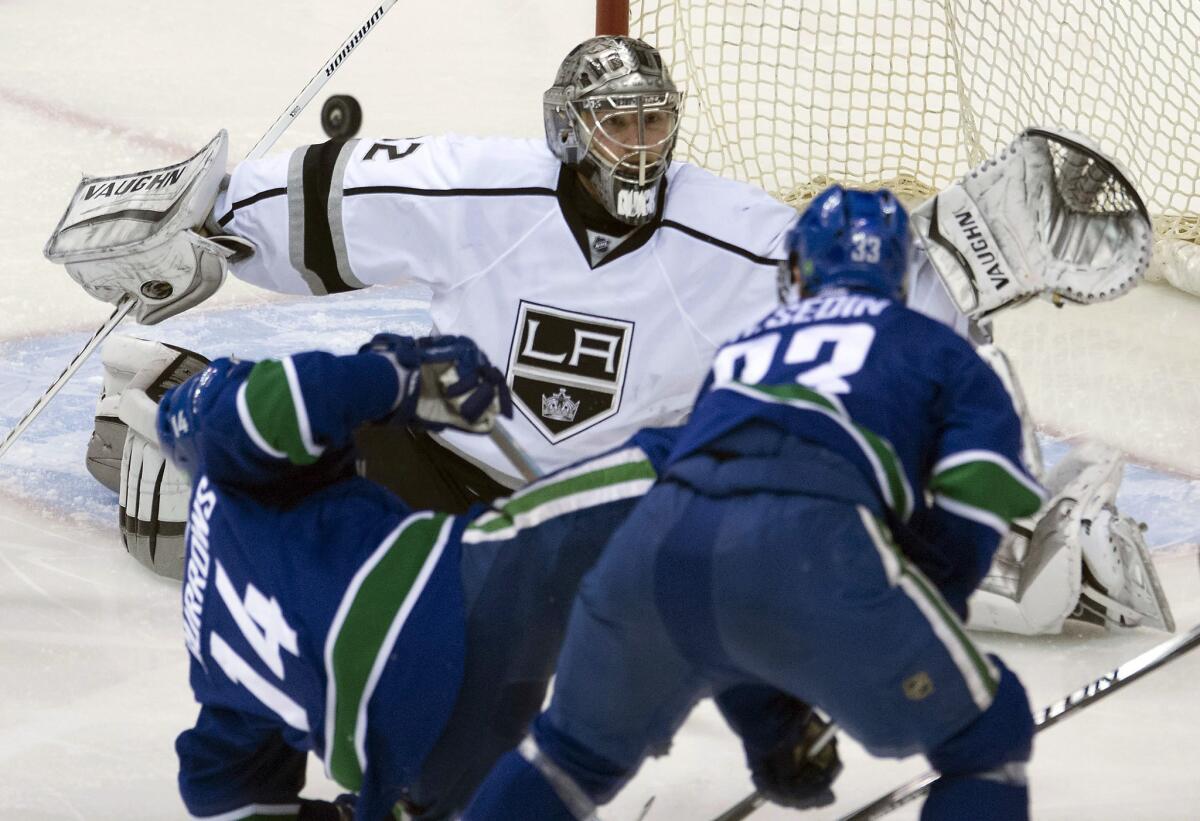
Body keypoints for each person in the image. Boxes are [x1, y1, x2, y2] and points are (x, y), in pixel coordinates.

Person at [48, 36, 1168, 635]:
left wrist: (961, 263)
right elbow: (323, 201)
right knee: (279, 514)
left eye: (655, 120)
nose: (640, 143)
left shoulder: (735, 236)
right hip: (452, 464)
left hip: (620, 512)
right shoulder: (481, 191)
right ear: (567, 131)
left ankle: (1045, 549)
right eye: (616, 122)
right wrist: (197, 222)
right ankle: (159, 409)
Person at [462, 187, 1044, 820]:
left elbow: (720, 579)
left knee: (565, 760)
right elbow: (981, 483)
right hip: (815, 543)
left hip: (648, 552)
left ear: (796, 270)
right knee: (989, 732)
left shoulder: (742, 350)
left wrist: (771, 728)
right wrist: (924, 605)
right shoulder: (938, 348)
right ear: (897, 274)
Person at [141, 330, 677, 820]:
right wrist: (402, 378)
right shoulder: (226, 457)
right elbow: (269, 401)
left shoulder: (207, 640)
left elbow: (217, 796)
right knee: (685, 470)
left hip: (410, 755)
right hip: (440, 608)